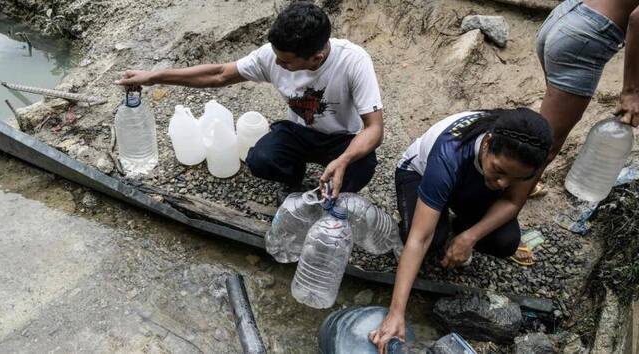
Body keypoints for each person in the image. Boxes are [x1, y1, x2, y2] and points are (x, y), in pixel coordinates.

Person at [115, 2, 384, 201]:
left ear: (315, 58)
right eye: (276, 56)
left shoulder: (353, 61)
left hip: (342, 139)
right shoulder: (273, 55)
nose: (276, 64)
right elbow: (219, 74)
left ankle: (328, 188)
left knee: (362, 166)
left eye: (286, 62)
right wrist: (155, 76)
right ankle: (294, 179)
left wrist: (345, 158)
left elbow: (374, 129)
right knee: (261, 159)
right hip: (300, 132)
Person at [369, 108, 553, 352]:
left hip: (470, 183)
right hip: (419, 173)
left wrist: (469, 236)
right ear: (487, 144)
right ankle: (426, 216)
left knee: (506, 241)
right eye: (499, 171)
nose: (504, 184)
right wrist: (395, 313)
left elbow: (511, 202)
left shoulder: (529, 154)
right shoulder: (450, 152)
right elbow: (420, 238)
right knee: (431, 241)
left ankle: (456, 225)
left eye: (514, 179)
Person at [534, 0, 639, 186]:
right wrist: (631, 91)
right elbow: (637, 19)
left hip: (567, 15)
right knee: (544, 148)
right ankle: (503, 202)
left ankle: (518, 185)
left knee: (543, 132)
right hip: (586, 38)